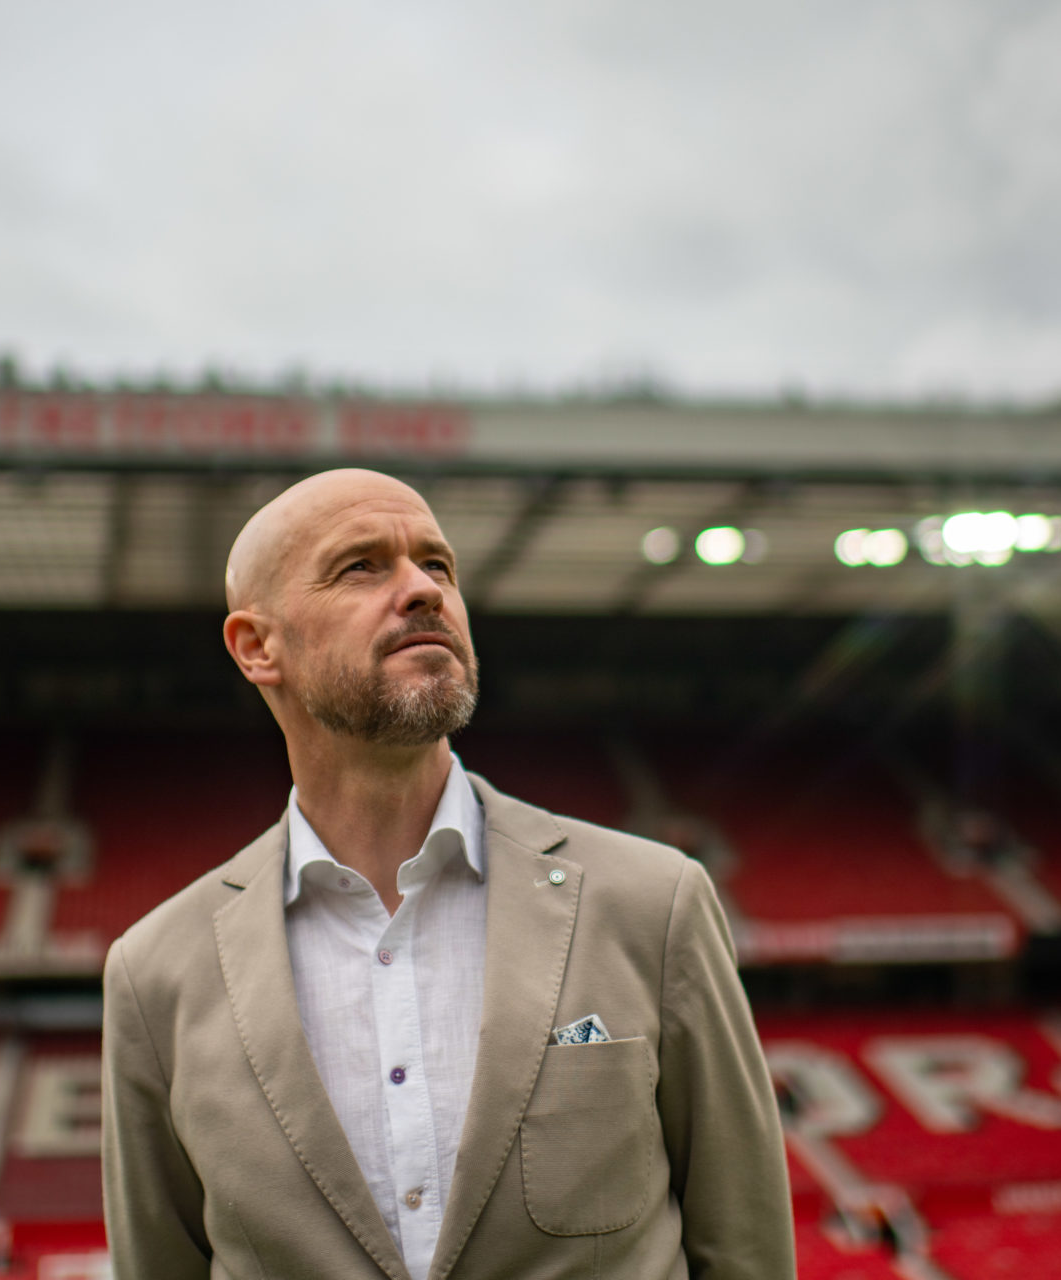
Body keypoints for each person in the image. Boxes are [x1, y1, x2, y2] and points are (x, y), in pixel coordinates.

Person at [101, 467, 794, 1279]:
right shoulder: (155, 976)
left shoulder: (654, 904)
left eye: (437, 565)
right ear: (259, 647)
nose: (422, 591)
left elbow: (746, 1255)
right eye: (361, 566)